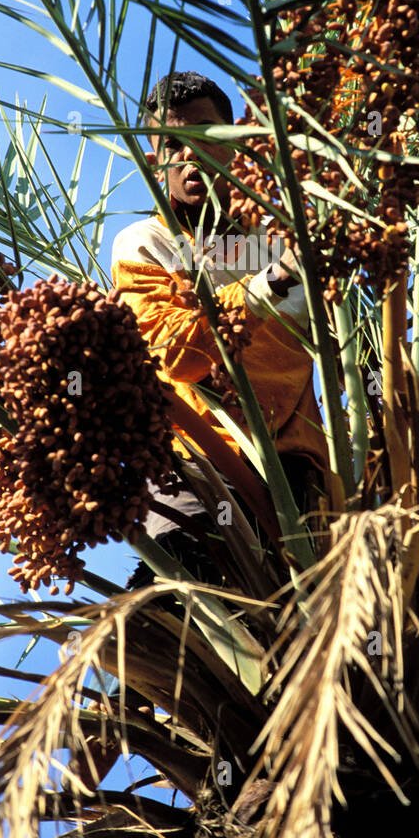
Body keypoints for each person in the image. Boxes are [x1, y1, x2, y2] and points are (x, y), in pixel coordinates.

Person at [110, 71, 330, 588]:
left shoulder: (281, 238)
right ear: (152, 161)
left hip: (302, 474)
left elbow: (350, 360)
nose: (190, 155)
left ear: (236, 146)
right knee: (178, 616)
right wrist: (270, 284)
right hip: (198, 468)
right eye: (172, 144)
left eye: (206, 136)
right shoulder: (144, 242)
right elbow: (174, 353)